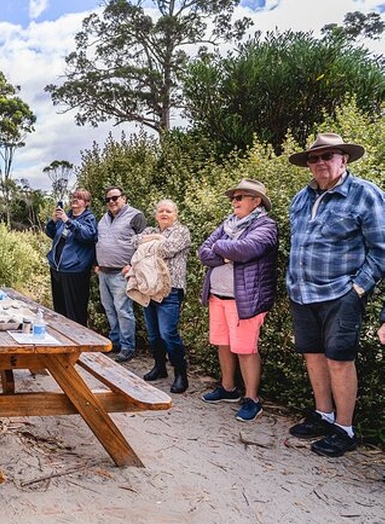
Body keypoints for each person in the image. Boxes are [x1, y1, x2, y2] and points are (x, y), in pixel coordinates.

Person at [285, 133, 385, 457]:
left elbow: (381, 251)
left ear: (344, 159)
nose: (320, 163)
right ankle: (323, 415)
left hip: (341, 294)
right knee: (313, 356)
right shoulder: (301, 198)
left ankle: (345, 429)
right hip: (302, 293)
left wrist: (357, 289)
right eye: (314, 158)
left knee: (339, 361)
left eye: (328, 156)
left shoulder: (365, 194)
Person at [198, 178, 278, 422]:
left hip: (245, 300)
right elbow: (204, 251)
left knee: (245, 350)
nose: (234, 201)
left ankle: (252, 399)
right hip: (218, 296)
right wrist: (227, 254)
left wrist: (222, 248)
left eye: (240, 197)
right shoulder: (228, 224)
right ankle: (228, 389)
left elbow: (247, 248)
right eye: (233, 198)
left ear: (256, 201)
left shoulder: (267, 225)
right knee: (223, 344)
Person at [131, 199, 191, 393]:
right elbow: (133, 242)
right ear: (156, 214)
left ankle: (181, 373)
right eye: (161, 211)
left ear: (176, 214)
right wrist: (157, 237)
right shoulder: (149, 230)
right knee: (153, 333)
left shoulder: (182, 232)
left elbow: (167, 249)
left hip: (171, 289)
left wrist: (150, 242)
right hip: (149, 287)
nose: (164, 214)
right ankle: (159, 367)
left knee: (168, 333)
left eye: (168, 211)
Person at [94, 186, 147, 361]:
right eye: (108, 199)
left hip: (121, 273)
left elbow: (145, 244)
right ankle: (114, 341)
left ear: (124, 198)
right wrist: (97, 263)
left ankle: (128, 347)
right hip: (104, 272)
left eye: (115, 198)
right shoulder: (104, 219)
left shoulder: (135, 216)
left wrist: (133, 265)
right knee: (109, 309)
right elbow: (99, 242)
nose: (111, 202)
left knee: (123, 310)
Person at [45, 189, 97, 326]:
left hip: (74, 271)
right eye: (73, 197)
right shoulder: (65, 216)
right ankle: (63, 340)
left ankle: (79, 342)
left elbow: (87, 236)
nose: (75, 199)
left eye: (79, 198)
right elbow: (52, 234)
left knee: (75, 312)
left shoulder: (88, 218)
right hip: (57, 269)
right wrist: (53, 221)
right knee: (60, 311)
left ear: (86, 203)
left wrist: (67, 221)